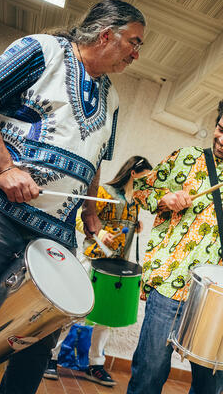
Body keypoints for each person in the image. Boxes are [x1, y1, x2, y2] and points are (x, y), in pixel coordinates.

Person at [0, 0, 144, 393]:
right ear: (107, 34)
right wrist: (5, 168)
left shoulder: (112, 99)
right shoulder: (42, 50)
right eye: (134, 41)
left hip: (55, 233)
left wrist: (91, 216)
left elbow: (94, 161)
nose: (137, 52)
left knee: (37, 337)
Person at [126, 94, 223, 394]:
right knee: (149, 373)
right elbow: (140, 191)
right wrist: (165, 199)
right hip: (172, 284)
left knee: (211, 382)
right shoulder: (185, 158)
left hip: (218, 294)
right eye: (220, 129)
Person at [44, 156, 152, 386]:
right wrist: (99, 233)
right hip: (92, 260)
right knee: (76, 310)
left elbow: (123, 227)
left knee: (106, 318)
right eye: (146, 177)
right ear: (133, 173)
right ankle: (49, 358)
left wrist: (136, 225)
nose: (149, 182)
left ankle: (96, 365)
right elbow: (79, 220)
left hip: (116, 266)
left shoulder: (136, 202)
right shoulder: (103, 192)